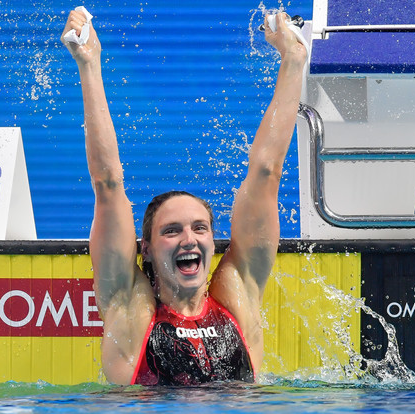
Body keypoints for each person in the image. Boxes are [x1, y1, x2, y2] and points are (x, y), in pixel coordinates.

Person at [61, 8, 307, 385]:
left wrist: (293, 59)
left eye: (199, 228)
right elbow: (108, 184)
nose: (189, 238)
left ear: (212, 240)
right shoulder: (131, 307)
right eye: (171, 231)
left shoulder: (236, 294)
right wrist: (89, 64)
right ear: (144, 248)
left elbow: (266, 173)